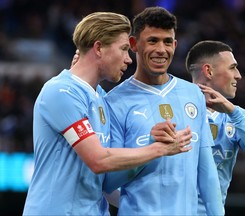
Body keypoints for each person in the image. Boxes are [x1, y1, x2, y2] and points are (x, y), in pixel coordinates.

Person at [22, 12, 193, 216]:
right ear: (98, 48)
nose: (128, 59)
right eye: (123, 49)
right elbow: (98, 160)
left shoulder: (101, 97)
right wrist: (159, 149)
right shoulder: (60, 92)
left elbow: (106, 182)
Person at [102, 7, 224, 215]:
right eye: (152, 41)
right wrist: (152, 148)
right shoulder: (113, 102)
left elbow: (207, 172)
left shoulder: (193, 94)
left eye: (167, 41)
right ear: (134, 45)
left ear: (175, 45)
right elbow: (108, 182)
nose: (161, 49)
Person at [185, 40, 245, 215]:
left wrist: (234, 112)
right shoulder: (175, 108)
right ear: (208, 71)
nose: (238, 75)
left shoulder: (235, 116)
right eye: (232, 67)